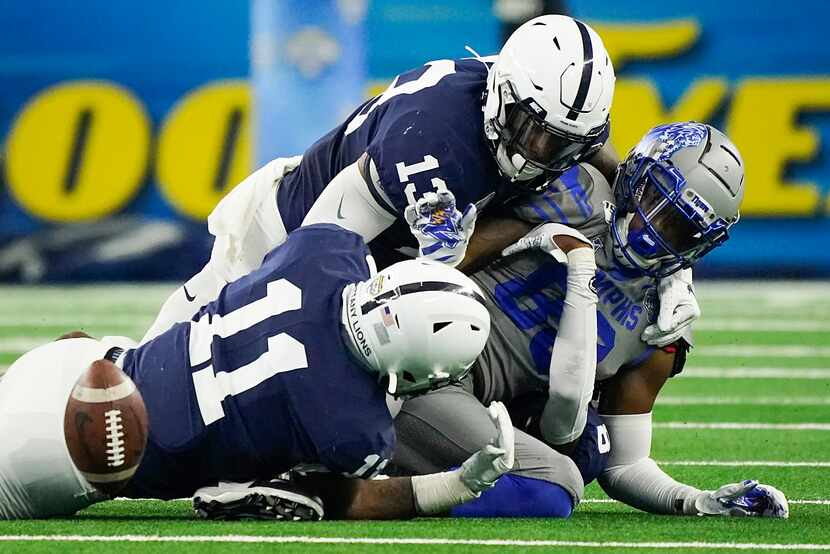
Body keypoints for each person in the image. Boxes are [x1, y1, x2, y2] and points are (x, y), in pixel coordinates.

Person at [140, 14, 619, 344]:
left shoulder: (553, 115)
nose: (540, 154)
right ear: (501, 96)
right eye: (532, 132)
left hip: (381, 251)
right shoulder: (432, 142)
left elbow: (594, 150)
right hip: (287, 233)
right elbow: (317, 251)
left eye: (560, 144)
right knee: (195, 350)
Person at [393, 122, 789, 519]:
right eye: (654, 199)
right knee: (555, 481)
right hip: (419, 355)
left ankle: (387, 475)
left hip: (478, 402)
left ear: (702, 243)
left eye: (680, 227)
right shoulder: (575, 190)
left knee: (587, 451)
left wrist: (694, 501)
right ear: (634, 175)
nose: (653, 230)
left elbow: (624, 463)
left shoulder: (665, 319)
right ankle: (370, 482)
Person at [0, 223, 514, 521]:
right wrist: (458, 485)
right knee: (316, 494)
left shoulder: (328, 253)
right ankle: (248, 484)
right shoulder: (355, 430)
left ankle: (245, 479)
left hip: (80, 364)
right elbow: (356, 499)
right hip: (78, 451)